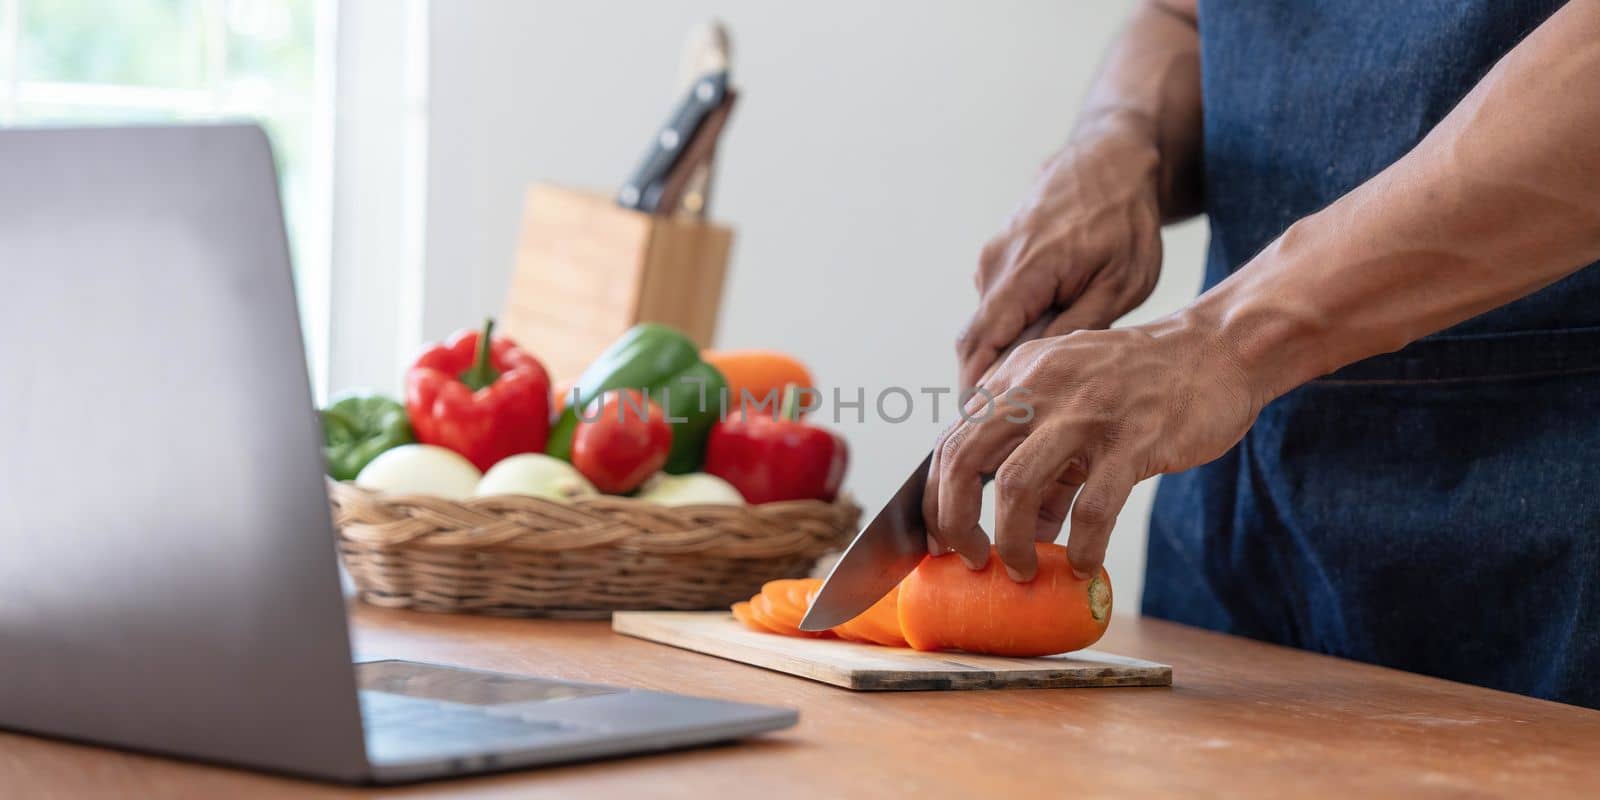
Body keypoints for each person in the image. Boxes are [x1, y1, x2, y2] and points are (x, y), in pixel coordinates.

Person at [921, 0, 1600, 708]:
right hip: (1241, 511)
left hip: (1555, 521)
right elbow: (1185, 15)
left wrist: (1226, 339)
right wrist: (1118, 140)